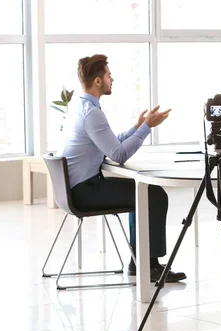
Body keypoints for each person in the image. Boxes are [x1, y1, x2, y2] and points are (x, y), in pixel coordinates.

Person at [57, 54, 186, 283]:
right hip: (84, 192)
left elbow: (111, 144)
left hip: (76, 188)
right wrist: (147, 128)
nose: (112, 79)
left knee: (143, 190)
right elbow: (119, 154)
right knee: (153, 194)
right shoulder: (92, 113)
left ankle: (142, 263)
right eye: (108, 75)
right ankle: (148, 266)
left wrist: (136, 127)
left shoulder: (81, 106)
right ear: (98, 81)